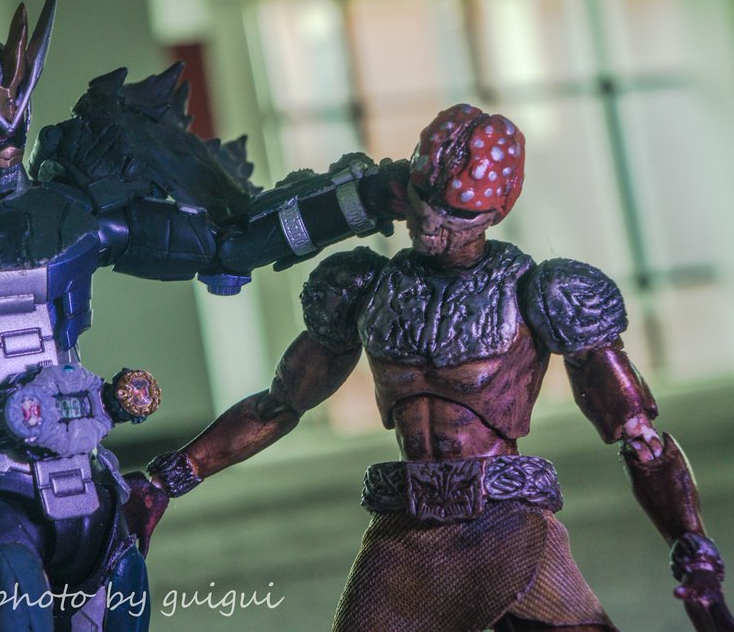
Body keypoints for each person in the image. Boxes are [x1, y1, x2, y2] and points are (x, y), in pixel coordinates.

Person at [143, 104, 733, 631]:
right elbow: (280, 402)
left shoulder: (543, 293)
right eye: (424, 198)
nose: (431, 222)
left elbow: (638, 436)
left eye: (456, 211)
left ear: (495, 211)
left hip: (508, 522)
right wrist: (169, 478)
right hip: (405, 527)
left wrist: (692, 545)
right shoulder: (362, 287)